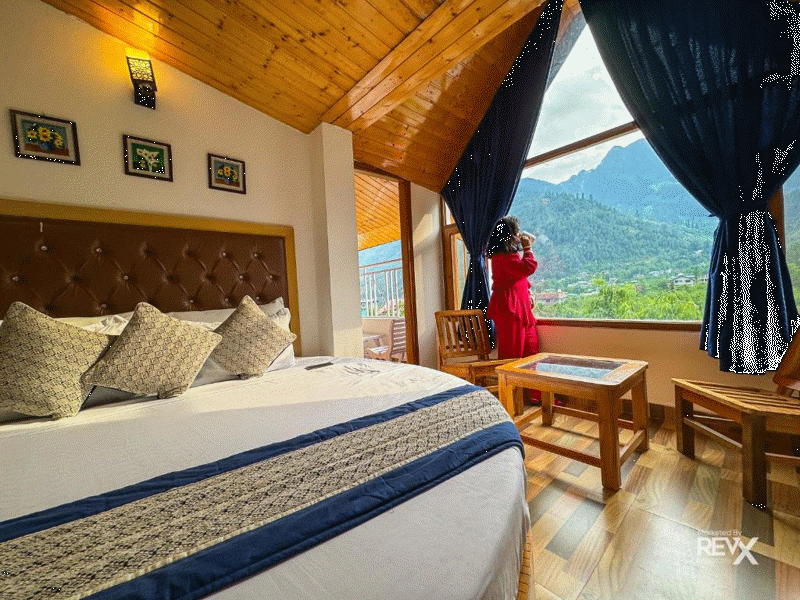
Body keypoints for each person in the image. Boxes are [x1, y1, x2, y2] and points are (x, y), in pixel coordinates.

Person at [486, 216, 539, 362]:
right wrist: (527, 248)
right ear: (508, 236)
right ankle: (508, 378)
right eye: (516, 232)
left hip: (520, 307)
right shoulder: (502, 257)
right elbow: (528, 267)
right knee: (512, 356)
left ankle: (529, 379)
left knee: (531, 349)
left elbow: (519, 278)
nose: (518, 236)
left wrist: (528, 292)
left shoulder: (509, 256)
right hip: (509, 309)